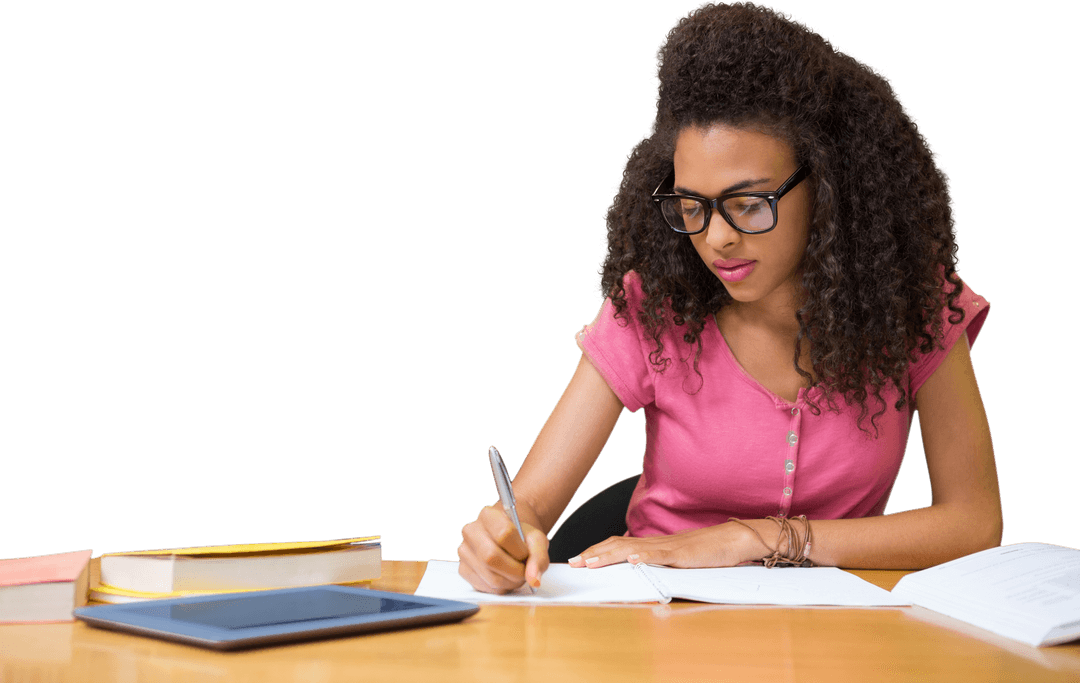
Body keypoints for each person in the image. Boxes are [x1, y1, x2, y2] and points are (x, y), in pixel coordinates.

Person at [458, 0, 1001, 594]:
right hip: (655, 620)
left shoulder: (915, 308)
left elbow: (973, 522)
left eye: (747, 203)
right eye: (692, 206)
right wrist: (504, 539)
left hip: (837, 634)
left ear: (827, 187)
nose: (716, 237)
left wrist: (755, 537)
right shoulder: (652, 306)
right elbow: (530, 504)